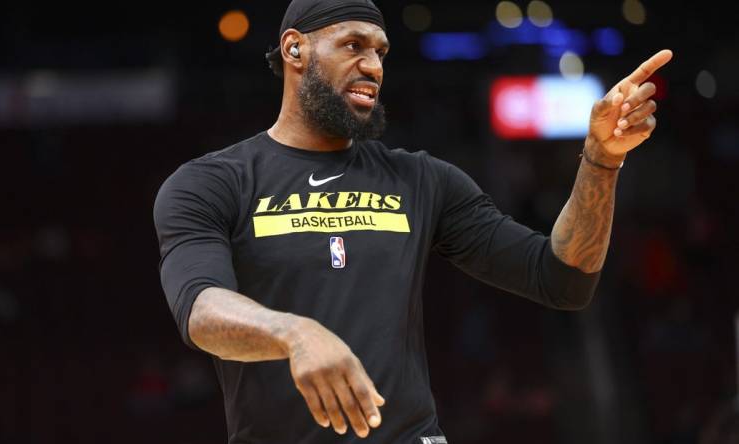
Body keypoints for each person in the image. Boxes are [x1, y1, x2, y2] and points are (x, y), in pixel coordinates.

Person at [152, 0, 672, 442]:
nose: (374, 65)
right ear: (295, 50)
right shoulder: (214, 182)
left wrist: (601, 161)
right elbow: (200, 310)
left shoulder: (421, 180)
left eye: (380, 52)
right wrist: (295, 334)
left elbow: (562, 278)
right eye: (353, 45)